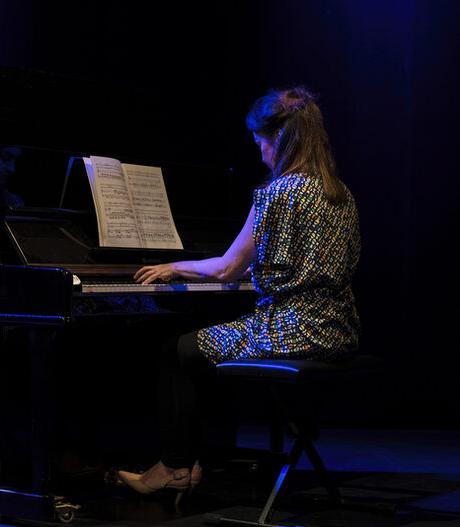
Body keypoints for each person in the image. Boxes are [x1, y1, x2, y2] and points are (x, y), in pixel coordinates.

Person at [117, 87, 360, 499]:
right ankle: (198, 457)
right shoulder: (340, 193)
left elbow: (228, 267)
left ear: (280, 139)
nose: (261, 153)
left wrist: (174, 266)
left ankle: (175, 466)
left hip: (292, 328)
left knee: (177, 351)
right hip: (339, 329)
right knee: (200, 346)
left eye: (261, 143)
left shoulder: (276, 193)